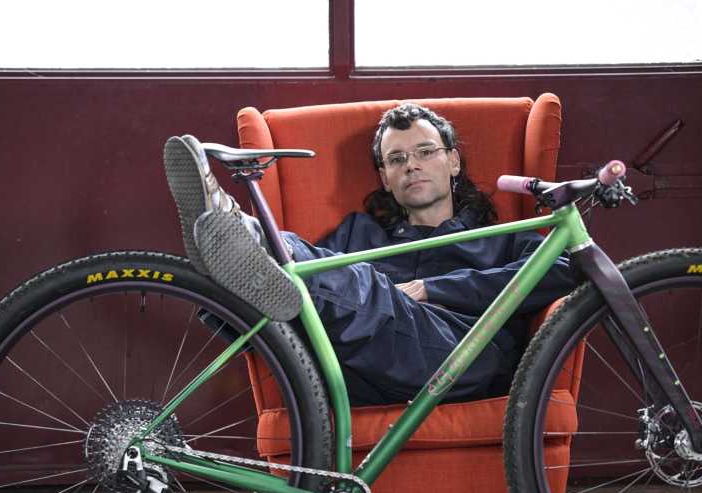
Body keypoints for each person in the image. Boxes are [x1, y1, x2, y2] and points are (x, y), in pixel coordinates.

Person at [163, 103, 577, 406]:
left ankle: (235, 231)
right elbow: (308, 281)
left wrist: (432, 289)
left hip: (455, 360)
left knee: (362, 284)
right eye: (396, 159)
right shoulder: (360, 233)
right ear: (385, 177)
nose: (411, 165)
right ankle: (229, 246)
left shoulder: (500, 238)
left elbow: (565, 266)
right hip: (353, 372)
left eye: (425, 152)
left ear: (453, 162)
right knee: (301, 271)